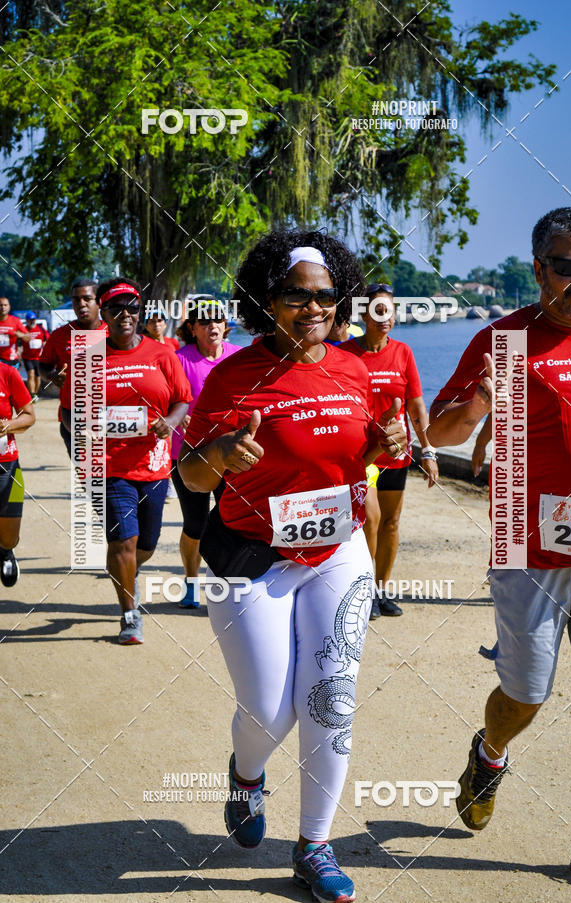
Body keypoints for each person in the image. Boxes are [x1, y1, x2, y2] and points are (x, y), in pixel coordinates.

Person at [178, 231, 406, 903]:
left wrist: (392, 443)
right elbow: (189, 475)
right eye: (296, 294)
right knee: (271, 711)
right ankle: (246, 775)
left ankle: (314, 845)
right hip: (250, 557)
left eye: (326, 295)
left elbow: (373, 449)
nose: (313, 307)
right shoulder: (232, 375)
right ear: (264, 300)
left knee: (329, 700)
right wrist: (218, 451)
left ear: (342, 302)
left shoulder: (352, 369)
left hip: (338, 551)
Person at [428, 207, 571, 878]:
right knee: (526, 696)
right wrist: (474, 408)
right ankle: (491, 749)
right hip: (526, 548)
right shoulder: (503, 340)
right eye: (568, 264)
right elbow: (440, 434)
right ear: (539, 270)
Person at [62, 278, 191, 644]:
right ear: (103, 313)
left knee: (145, 544)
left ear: (141, 311)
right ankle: (129, 615)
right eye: (115, 308)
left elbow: (182, 399)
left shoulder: (162, 354)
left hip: (154, 466)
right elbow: (70, 413)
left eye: (132, 307)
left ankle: (123, 568)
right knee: (125, 542)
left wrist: (169, 422)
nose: (125, 315)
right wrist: (89, 427)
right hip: (108, 466)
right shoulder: (87, 357)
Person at [342, 284, 438, 618]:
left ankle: (380, 590)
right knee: (370, 520)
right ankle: (363, 592)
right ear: (364, 314)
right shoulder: (345, 354)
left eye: (391, 310)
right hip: (361, 454)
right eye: (379, 310)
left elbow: (416, 406)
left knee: (391, 523)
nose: (387, 318)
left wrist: (428, 451)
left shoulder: (403, 353)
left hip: (396, 453)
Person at [170, 301, 239, 608]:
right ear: (193, 329)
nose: (213, 326)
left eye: (218, 321)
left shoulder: (239, 357)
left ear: (225, 325)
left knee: (233, 521)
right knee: (195, 524)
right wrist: (177, 414)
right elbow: (165, 400)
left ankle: (227, 583)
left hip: (230, 455)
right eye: (205, 322)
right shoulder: (179, 360)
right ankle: (190, 582)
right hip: (190, 456)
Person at [40, 278, 107, 456]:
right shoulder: (59, 335)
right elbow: (43, 366)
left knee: (111, 478)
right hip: (73, 418)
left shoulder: (114, 333)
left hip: (110, 417)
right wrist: (51, 375)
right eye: (76, 300)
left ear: (99, 301)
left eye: (87, 298)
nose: (81, 304)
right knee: (88, 479)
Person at [0, 361, 35, 586]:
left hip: (6, 465)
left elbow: (29, 415)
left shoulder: (8, 373)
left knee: (9, 535)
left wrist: (8, 425)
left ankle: (5, 552)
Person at [20, 312, 49, 399]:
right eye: (30, 320)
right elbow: (19, 342)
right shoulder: (24, 330)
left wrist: (45, 346)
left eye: (33, 320)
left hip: (39, 357)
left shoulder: (41, 329)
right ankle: (32, 394)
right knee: (31, 374)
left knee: (38, 376)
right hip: (27, 357)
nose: (32, 322)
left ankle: (35, 393)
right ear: (27, 321)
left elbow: (47, 339)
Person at [0, 297, 31, 368]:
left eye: (5, 305)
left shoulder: (15, 321)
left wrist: (20, 335)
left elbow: (28, 337)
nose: (3, 307)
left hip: (11, 359)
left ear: (9, 307)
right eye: (1, 305)